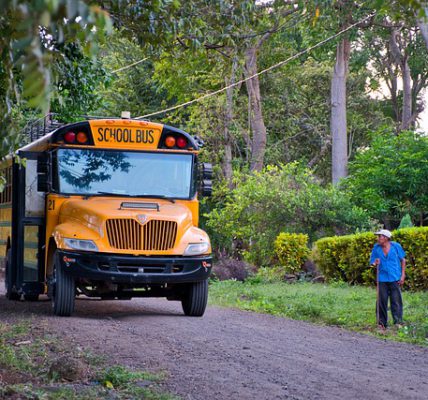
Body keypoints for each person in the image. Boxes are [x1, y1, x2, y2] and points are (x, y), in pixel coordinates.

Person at [370, 229, 406, 329]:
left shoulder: (396, 246)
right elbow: (372, 262)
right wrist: (375, 263)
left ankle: (398, 322)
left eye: (379, 236)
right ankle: (382, 323)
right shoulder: (376, 248)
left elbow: (403, 260)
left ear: (386, 238)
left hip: (395, 277)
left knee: (396, 301)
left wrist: (403, 275)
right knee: (381, 301)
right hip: (382, 278)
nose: (378, 238)